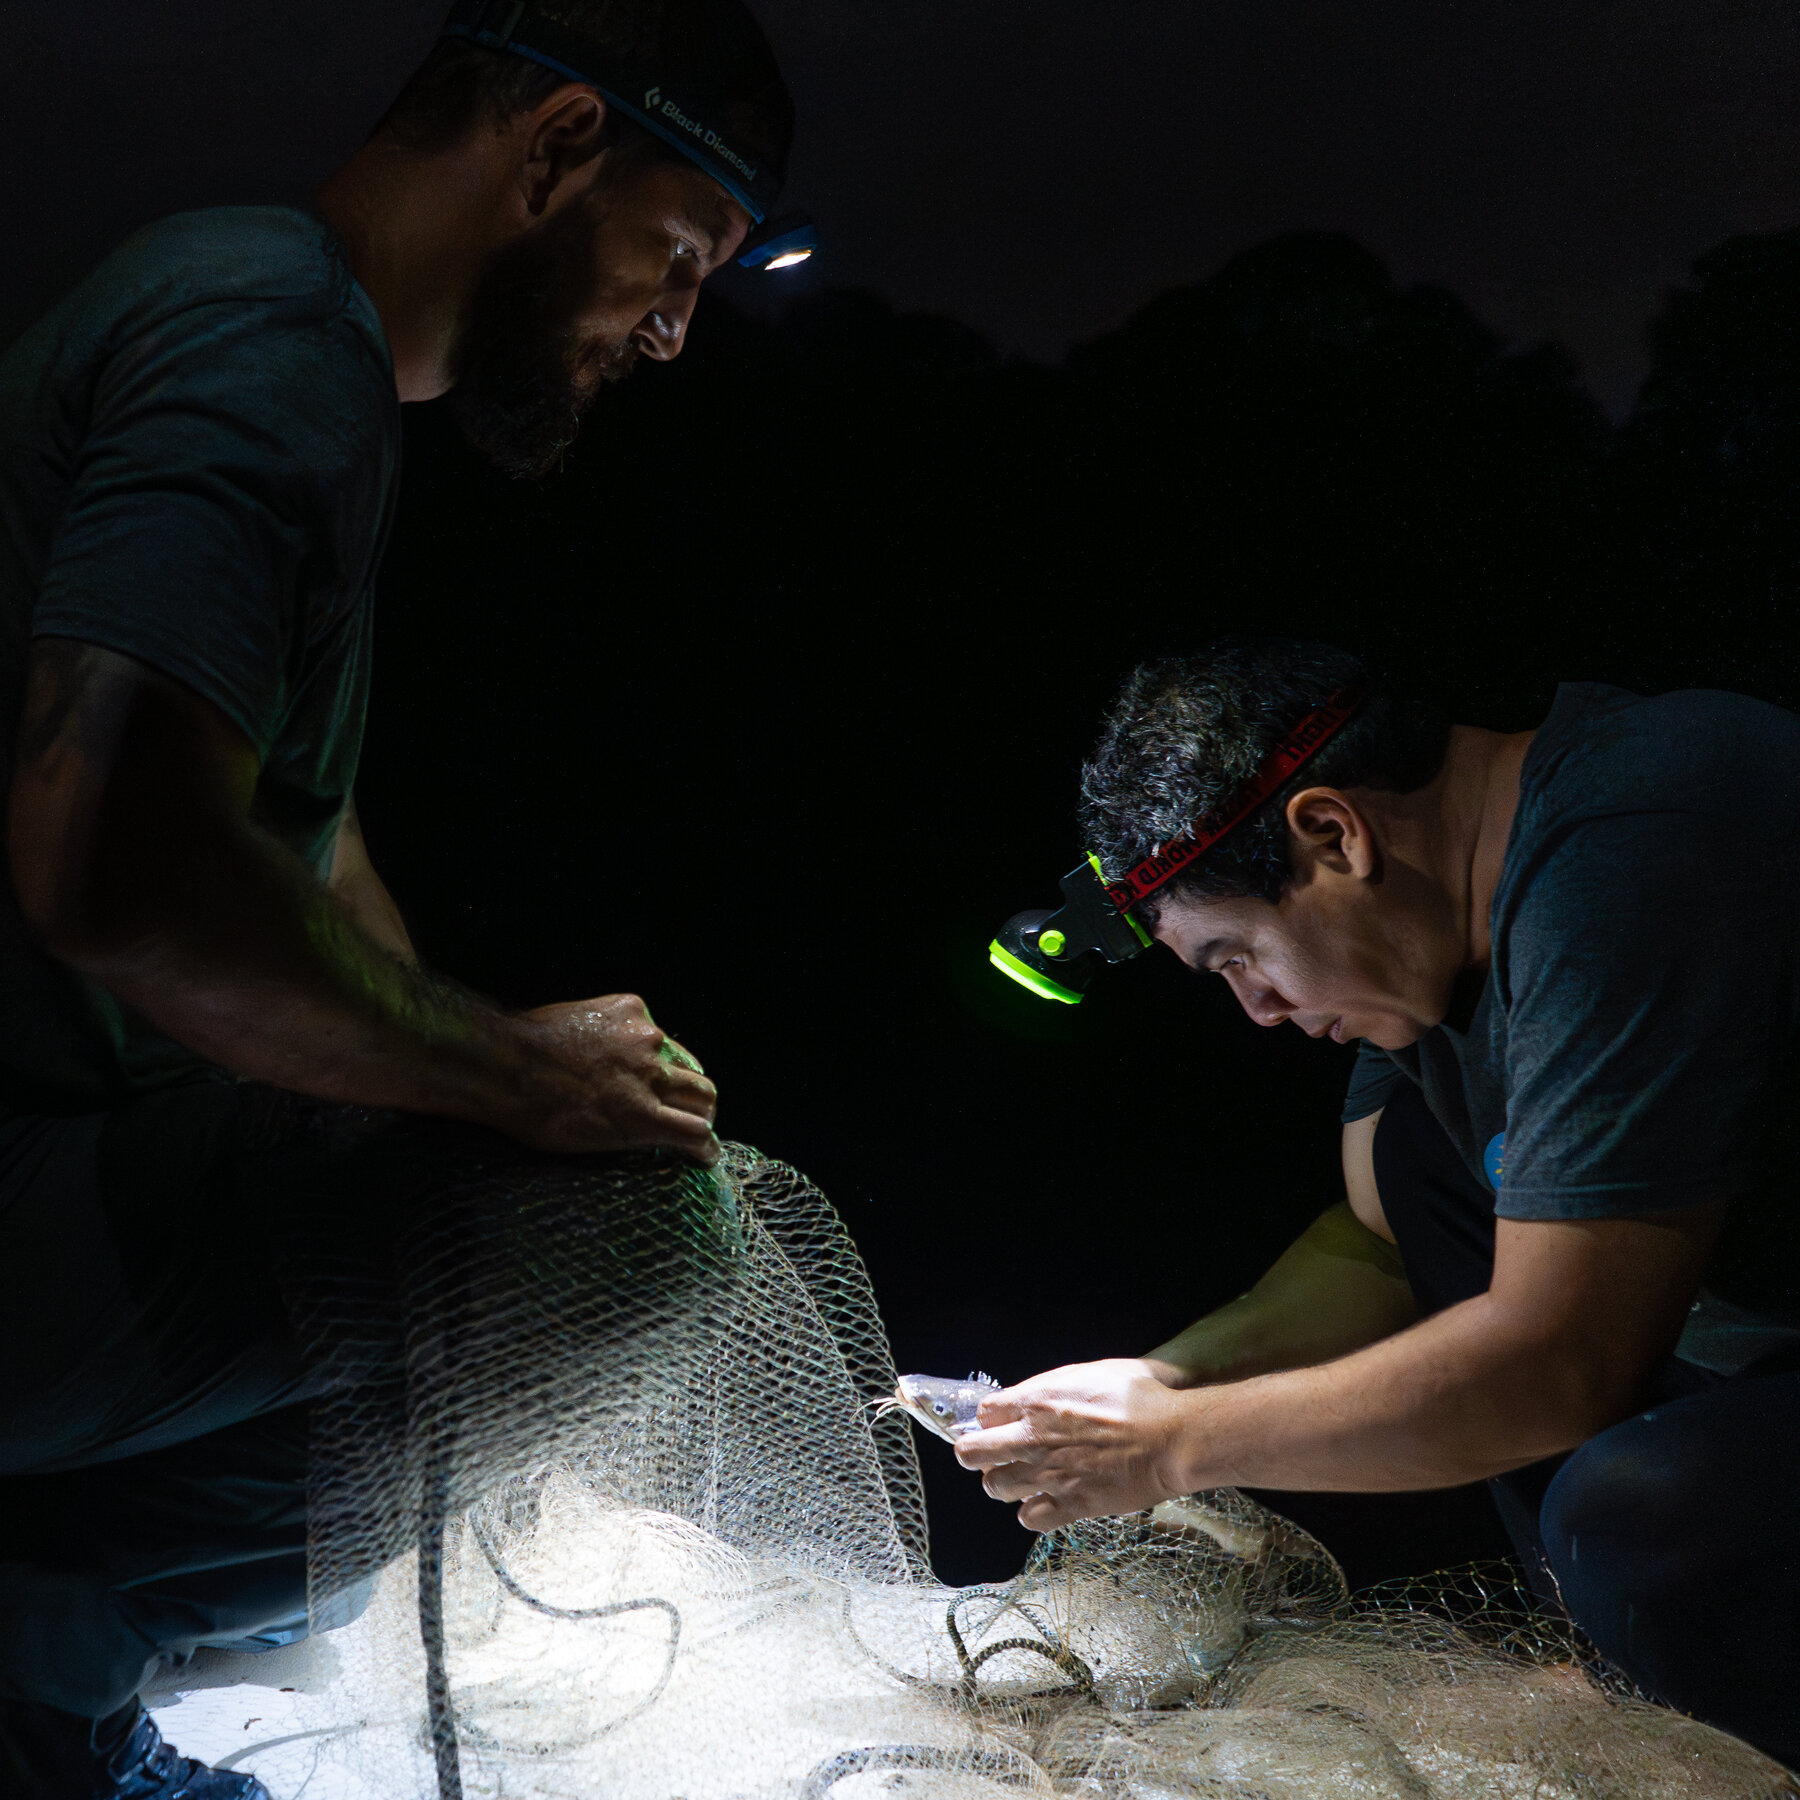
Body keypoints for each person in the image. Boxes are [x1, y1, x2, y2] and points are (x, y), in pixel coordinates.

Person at [0, 2, 798, 1793]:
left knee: (508, 1200)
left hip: (64, 1170)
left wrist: (485, 1071)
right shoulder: (266, 326)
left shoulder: (299, 348)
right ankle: (42, 1669)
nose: (674, 332)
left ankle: (48, 1677)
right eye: (676, 257)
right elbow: (109, 859)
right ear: (558, 143)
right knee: (630, 1228)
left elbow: (309, 843)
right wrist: (518, 1095)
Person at [955, 637, 1800, 1763]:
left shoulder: (1640, 834)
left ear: (1333, 834)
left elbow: (1561, 1361)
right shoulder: (1425, 949)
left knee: (1640, 1517)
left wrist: (1172, 1449)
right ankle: (1628, 1653)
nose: (1255, 1011)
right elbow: (1382, 1241)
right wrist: (1163, 1377)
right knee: (1414, 1158)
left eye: (1236, 956)